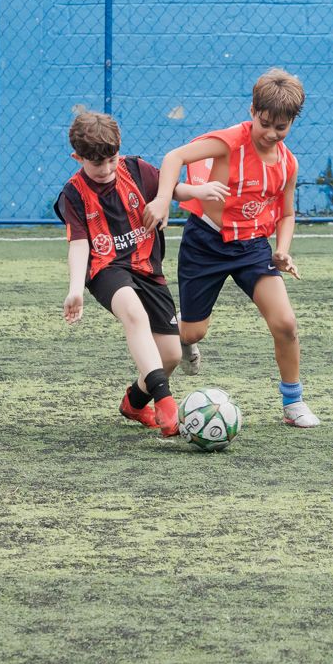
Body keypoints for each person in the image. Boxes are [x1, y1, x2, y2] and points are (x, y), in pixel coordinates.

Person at [142, 68, 321, 428]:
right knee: (191, 333)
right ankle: (172, 346)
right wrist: (163, 200)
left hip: (253, 248)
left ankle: (293, 402)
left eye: (281, 127)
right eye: (265, 122)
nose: (271, 133)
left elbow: (286, 214)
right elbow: (174, 158)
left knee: (285, 323)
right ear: (252, 111)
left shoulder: (288, 163)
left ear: (292, 123)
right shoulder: (229, 142)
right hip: (205, 244)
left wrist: (282, 250)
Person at [57, 111, 227, 437]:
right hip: (105, 269)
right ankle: (166, 402)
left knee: (171, 355)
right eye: (96, 164)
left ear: (119, 150)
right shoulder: (74, 194)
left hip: (148, 268)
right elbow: (79, 244)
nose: (106, 170)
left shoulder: (135, 169)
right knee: (134, 316)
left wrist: (197, 192)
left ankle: (134, 403)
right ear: (77, 157)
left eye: (111, 160)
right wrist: (75, 288)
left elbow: (170, 188)